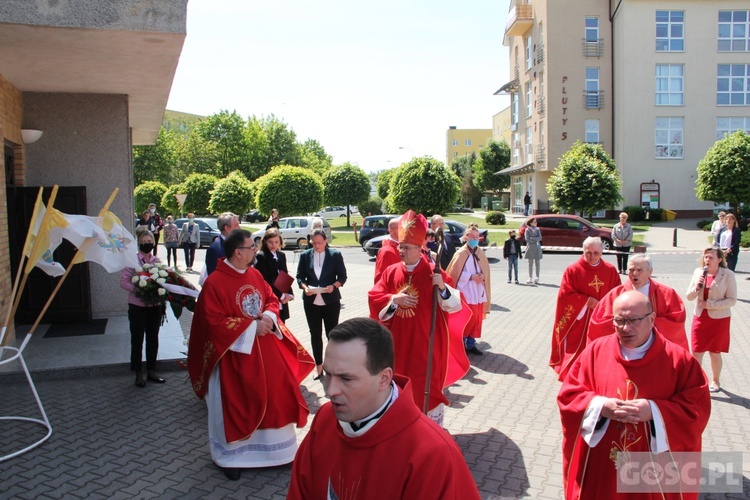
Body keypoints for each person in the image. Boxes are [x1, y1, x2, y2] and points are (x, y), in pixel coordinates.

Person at [287, 317, 481, 500]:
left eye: (346, 379)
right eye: (328, 374)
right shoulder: (325, 419)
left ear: (384, 378)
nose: (330, 390)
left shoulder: (433, 453)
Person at [558, 291, 711, 500]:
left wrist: (655, 412)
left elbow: (696, 410)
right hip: (603, 467)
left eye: (634, 320)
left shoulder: (679, 360)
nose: (625, 328)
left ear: (651, 319)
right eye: (619, 321)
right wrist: (599, 406)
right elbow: (569, 395)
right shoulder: (595, 351)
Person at [187, 229, 314, 480]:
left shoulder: (254, 273)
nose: (255, 250)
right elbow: (212, 322)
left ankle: (279, 454)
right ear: (238, 252)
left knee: (279, 394)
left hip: (265, 351)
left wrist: (267, 316)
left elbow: (270, 298)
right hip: (233, 355)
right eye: (251, 247)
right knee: (239, 402)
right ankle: (232, 458)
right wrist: (251, 327)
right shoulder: (214, 282)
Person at [369, 210, 470, 426]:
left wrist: (442, 288)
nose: (401, 251)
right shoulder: (392, 271)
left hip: (427, 344)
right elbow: (375, 297)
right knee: (396, 388)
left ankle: (429, 433)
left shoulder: (433, 272)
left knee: (426, 388)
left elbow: (455, 305)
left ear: (419, 249)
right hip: (397, 344)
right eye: (400, 246)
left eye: (405, 247)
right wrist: (393, 300)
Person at [549, 237, 620, 381]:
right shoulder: (573, 270)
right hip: (580, 318)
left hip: (602, 317)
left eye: (596, 253)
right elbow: (565, 294)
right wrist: (587, 301)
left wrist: (607, 307)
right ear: (583, 251)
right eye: (588, 253)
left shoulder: (610, 270)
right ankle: (575, 374)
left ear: (602, 252)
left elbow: (617, 293)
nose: (592, 257)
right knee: (579, 348)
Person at [588, 253, 688, 350]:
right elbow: (599, 322)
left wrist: (648, 324)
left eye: (639, 270)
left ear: (650, 272)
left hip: (656, 348)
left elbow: (676, 321)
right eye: (631, 270)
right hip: (625, 348)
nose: (634, 274)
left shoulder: (666, 294)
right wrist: (621, 325)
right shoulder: (616, 294)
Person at [296, 228, 348, 381]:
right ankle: (318, 366)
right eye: (314, 242)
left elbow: (343, 276)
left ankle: (332, 366)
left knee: (331, 334)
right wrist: (305, 288)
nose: (317, 245)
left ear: (326, 240)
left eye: (320, 242)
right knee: (315, 334)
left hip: (331, 301)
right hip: (311, 301)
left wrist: (334, 286)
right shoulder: (305, 256)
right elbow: (300, 277)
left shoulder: (335, 255)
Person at [686, 247, 737, 393]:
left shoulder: (728, 275)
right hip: (700, 318)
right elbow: (689, 296)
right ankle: (695, 381)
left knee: (714, 352)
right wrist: (696, 288)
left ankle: (715, 380)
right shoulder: (698, 272)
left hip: (718, 319)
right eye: (706, 257)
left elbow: (732, 300)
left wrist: (709, 305)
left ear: (720, 259)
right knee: (696, 351)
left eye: (711, 257)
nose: (707, 260)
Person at [119, 229, 165, 388]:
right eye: (144, 242)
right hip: (137, 306)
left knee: (153, 338)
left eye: (149, 241)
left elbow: (163, 279)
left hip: (154, 306)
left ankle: (151, 371)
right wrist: (138, 288)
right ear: (139, 243)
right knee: (137, 340)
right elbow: (123, 282)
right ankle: (138, 374)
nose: (147, 244)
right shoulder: (133, 260)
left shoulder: (156, 260)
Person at [447, 224, 491, 356]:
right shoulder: (460, 253)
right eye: (472, 236)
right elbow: (453, 274)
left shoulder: (480, 252)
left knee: (476, 318)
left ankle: (471, 344)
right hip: (465, 292)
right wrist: (471, 277)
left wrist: (482, 276)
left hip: (477, 292)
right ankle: (460, 344)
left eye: (477, 237)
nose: (475, 239)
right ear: (466, 237)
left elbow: (486, 270)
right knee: (466, 318)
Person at [254, 228, 293, 322]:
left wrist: (290, 294)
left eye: (276, 242)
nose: (273, 245)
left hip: (282, 299)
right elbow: (265, 281)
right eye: (270, 242)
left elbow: (285, 276)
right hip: (270, 298)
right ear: (265, 242)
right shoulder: (262, 256)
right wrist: (281, 295)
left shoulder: (281, 255)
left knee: (282, 326)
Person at [205, 212, 240, 276]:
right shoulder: (215, 249)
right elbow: (214, 277)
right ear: (227, 228)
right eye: (236, 225)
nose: (239, 228)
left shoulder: (239, 245)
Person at [373, 216, 400, 284]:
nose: (404, 230)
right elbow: (380, 278)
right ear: (390, 230)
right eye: (400, 228)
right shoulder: (386, 251)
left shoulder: (402, 246)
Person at [524, 217, 543, 284]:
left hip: (537, 247)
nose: (536, 223)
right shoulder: (527, 230)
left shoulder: (538, 229)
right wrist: (535, 239)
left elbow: (540, 238)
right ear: (531, 223)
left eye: (536, 222)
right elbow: (527, 240)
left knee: (537, 263)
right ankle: (530, 277)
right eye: (534, 222)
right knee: (530, 263)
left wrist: (533, 238)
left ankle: (537, 277)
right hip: (530, 248)